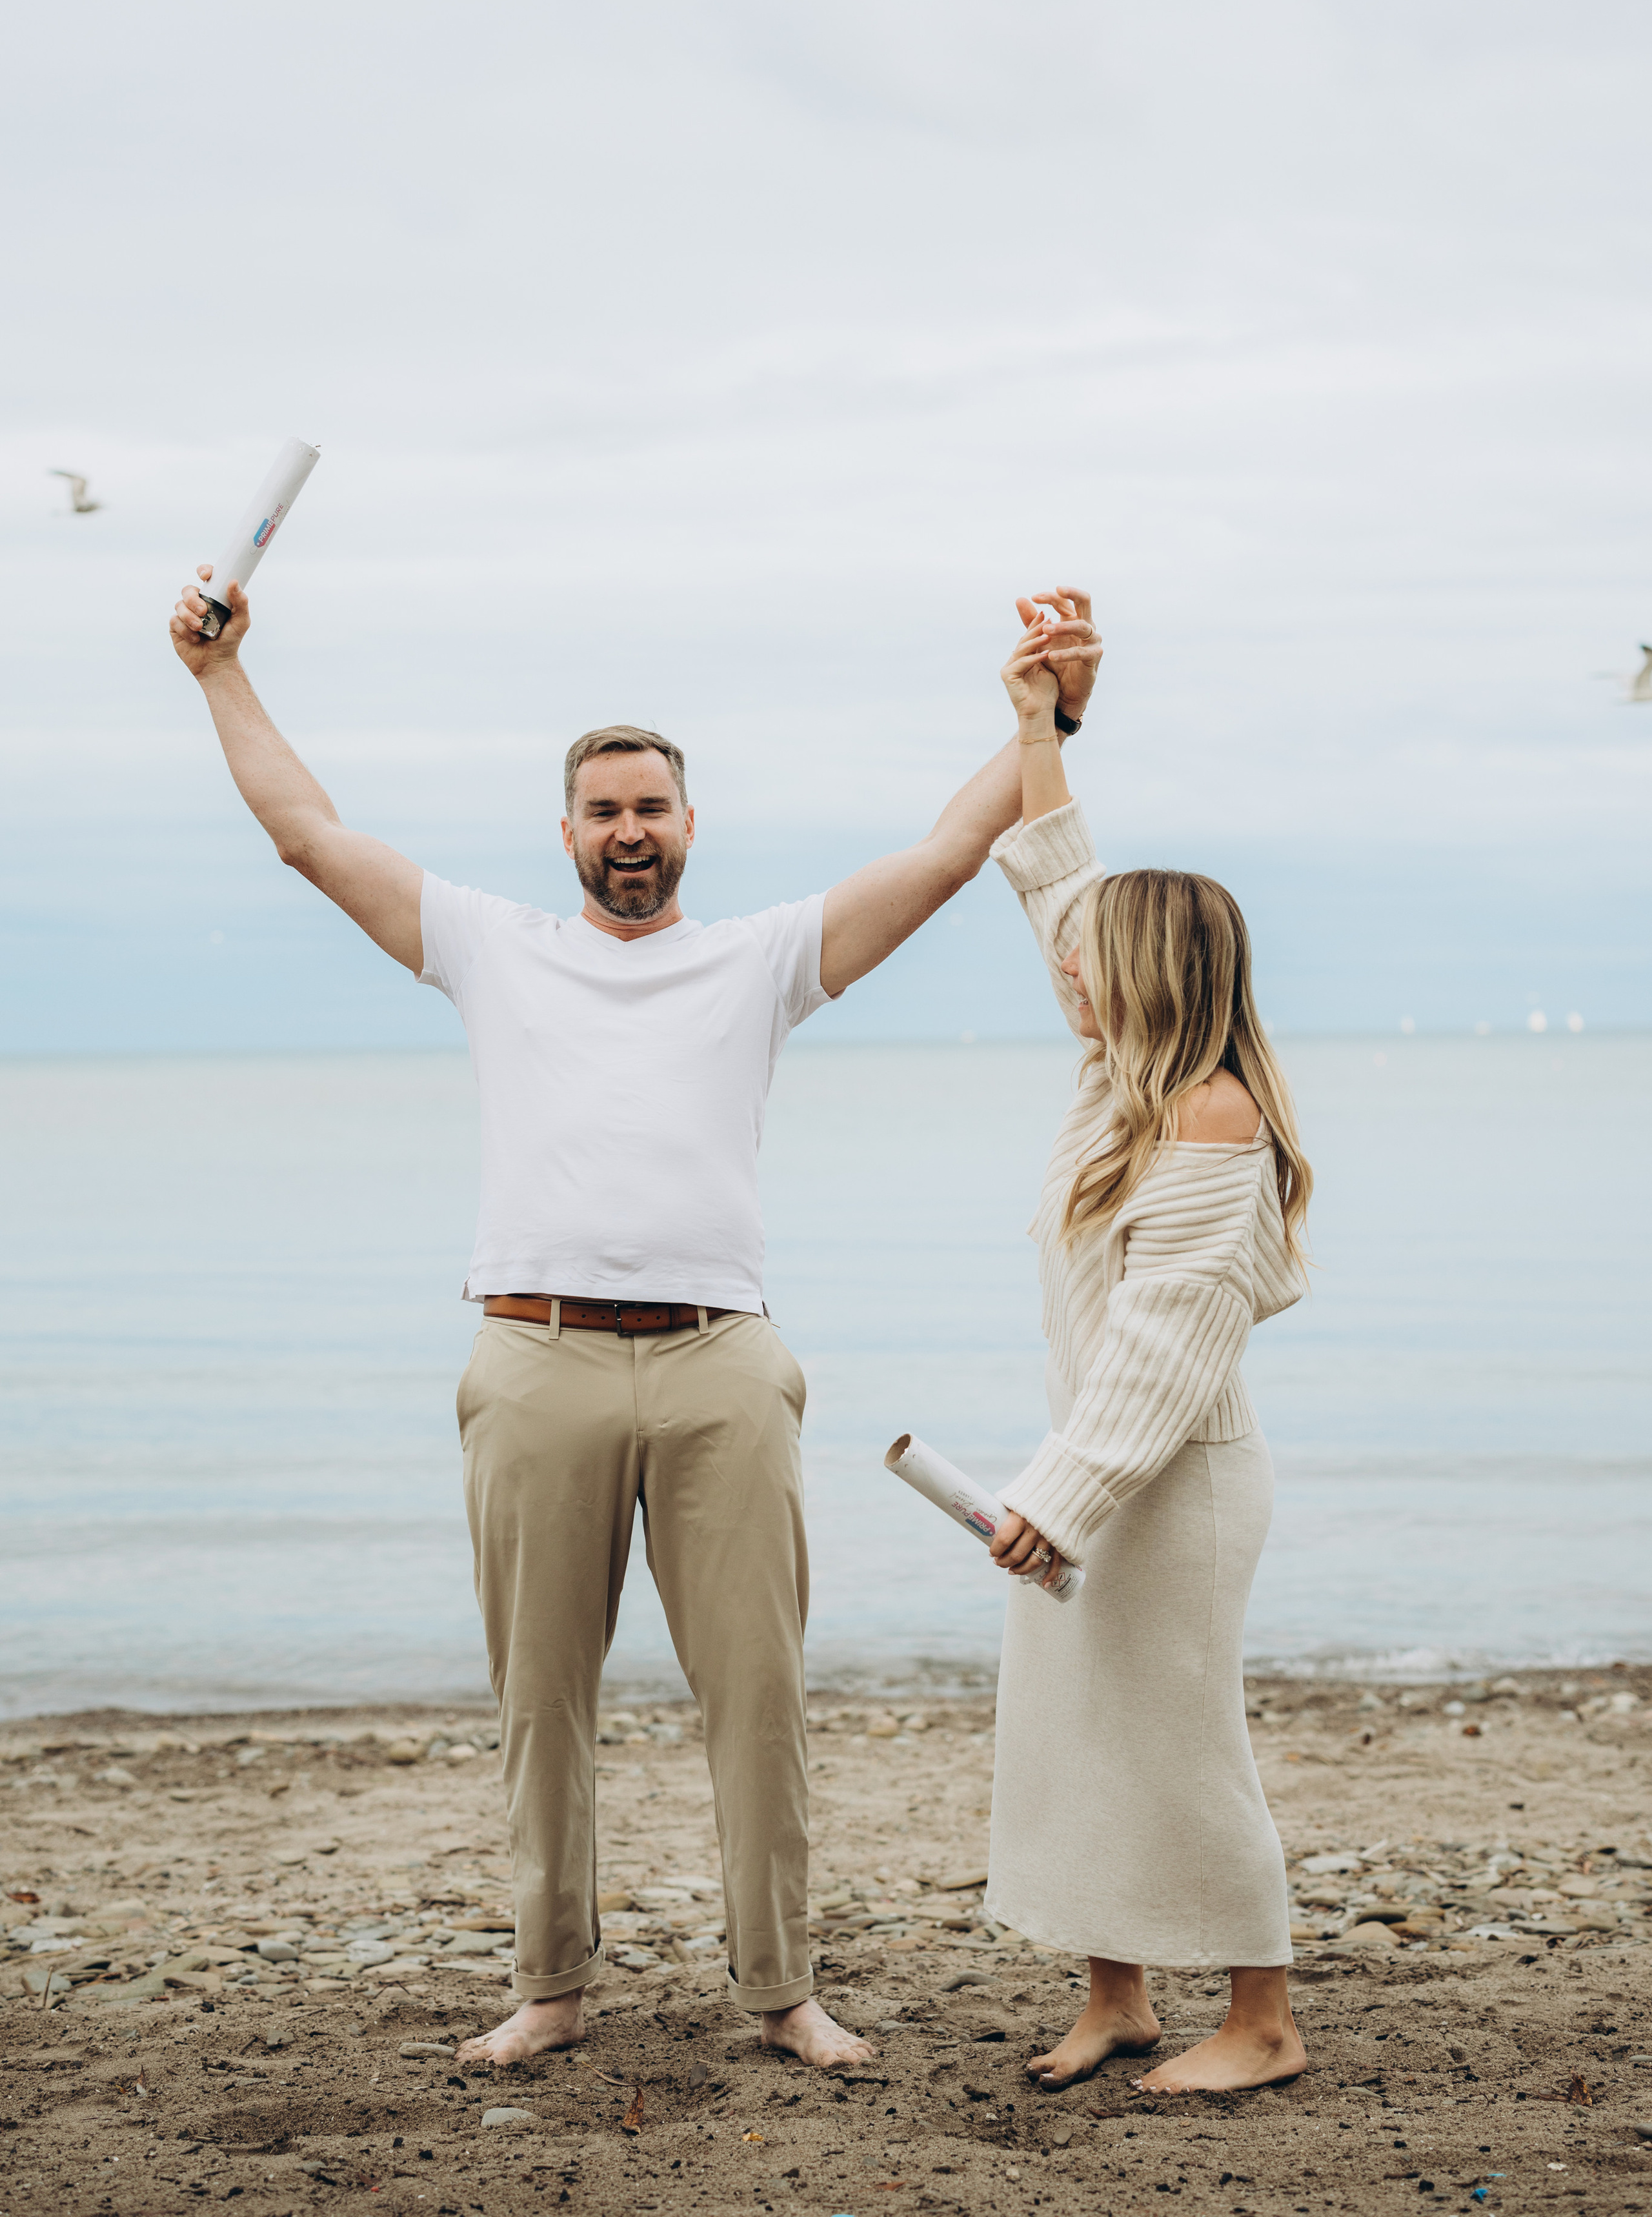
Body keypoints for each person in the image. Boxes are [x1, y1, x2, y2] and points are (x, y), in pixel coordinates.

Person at [168, 563, 1100, 2071]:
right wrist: (220, 676)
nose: (627, 832)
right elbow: (307, 835)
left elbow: (941, 855)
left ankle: (781, 1989)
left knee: (760, 1696)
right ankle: (551, 1987)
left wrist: (1048, 714)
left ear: (685, 825)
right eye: (601, 810)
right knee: (543, 1702)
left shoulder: (757, 959)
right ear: (566, 833)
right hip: (531, 1358)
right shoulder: (489, 945)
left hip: (720, 1361)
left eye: (649, 808)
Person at [982, 608, 1314, 2095]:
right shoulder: (1119, 1080)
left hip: (1168, 1486)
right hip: (1092, 1469)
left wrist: (1056, 1497)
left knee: (1176, 1747)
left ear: (1156, 976)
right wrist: (1041, 726)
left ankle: (1260, 2020)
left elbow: (1165, 1354)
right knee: (1072, 1741)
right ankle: (1113, 1996)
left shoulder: (1209, 1113)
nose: (1064, 971)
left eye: (1092, 963)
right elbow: (1059, 885)